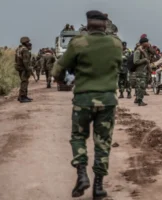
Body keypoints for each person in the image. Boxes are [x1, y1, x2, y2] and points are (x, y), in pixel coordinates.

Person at [52, 10, 122, 199]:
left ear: (87, 25)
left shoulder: (78, 43)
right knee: (103, 142)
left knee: (78, 137)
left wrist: (63, 80)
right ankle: (98, 186)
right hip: (107, 100)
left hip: (83, 99)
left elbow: (57, 70)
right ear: (105, 25)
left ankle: (82, 174)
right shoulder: (116, 44)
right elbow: (118, 66)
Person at [133, 37, 150, 106]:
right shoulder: (138, 51)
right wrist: (144, 60)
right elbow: (135, 61)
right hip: (140, 71)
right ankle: (140, 101)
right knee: (141, 86)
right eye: (147, 42)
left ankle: (137, 99)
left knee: (139, 86)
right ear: (143, 43)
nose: (148, 43)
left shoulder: (143, 50)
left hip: (143, 71)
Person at [15, 37, 32, 103]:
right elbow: (26, 61)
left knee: (23, 81)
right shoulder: (25, 50)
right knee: (24, 81)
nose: (29, 43)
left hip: (19, 66)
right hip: (23, 67)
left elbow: (16, 59)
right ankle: (23, 97)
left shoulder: (18, 48)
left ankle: (21, 96)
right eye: (28, 42)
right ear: (26, 42)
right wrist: (28, 69)